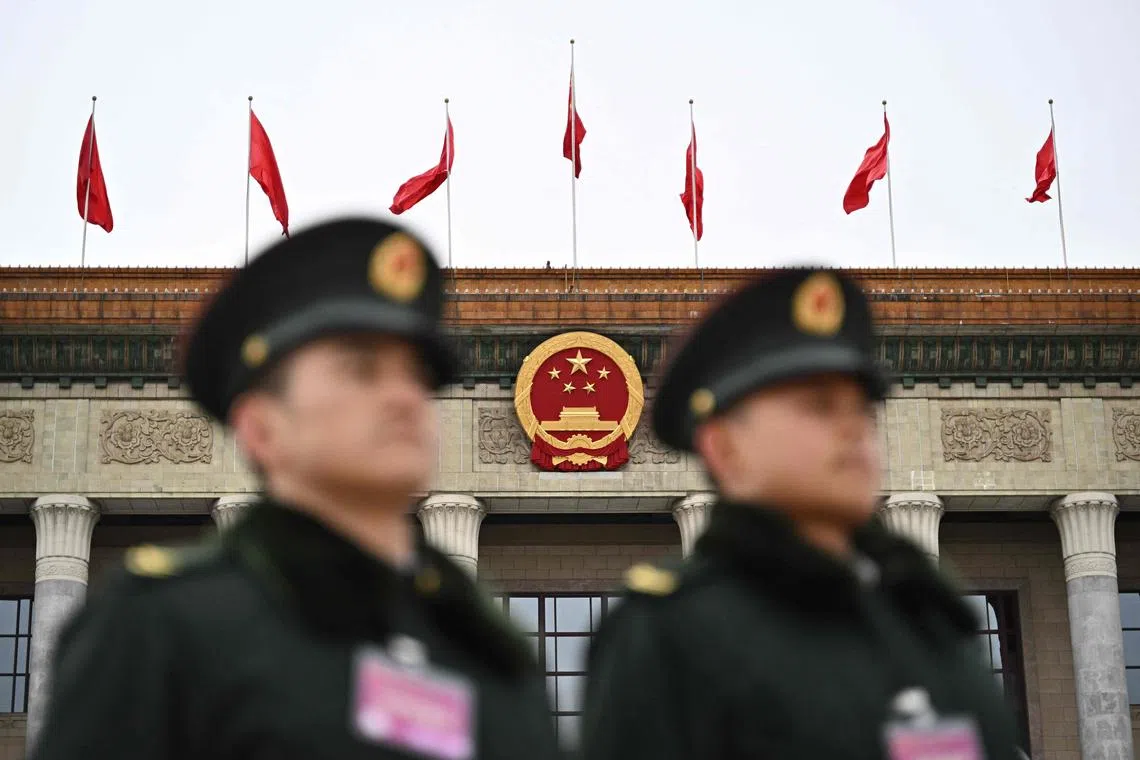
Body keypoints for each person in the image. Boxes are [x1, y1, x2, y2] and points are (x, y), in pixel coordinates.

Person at [31, 217, 563, 760]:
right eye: (361, 371)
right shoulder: (165, 630)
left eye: (417, 376)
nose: (404, 398)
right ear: (260, 428)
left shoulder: (487, 650)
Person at [579, 268, 1024, 760]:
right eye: (819, 406)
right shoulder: (673, 637)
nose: (853, 429)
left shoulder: (925, 621)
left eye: (862, 409)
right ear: (724, 448)